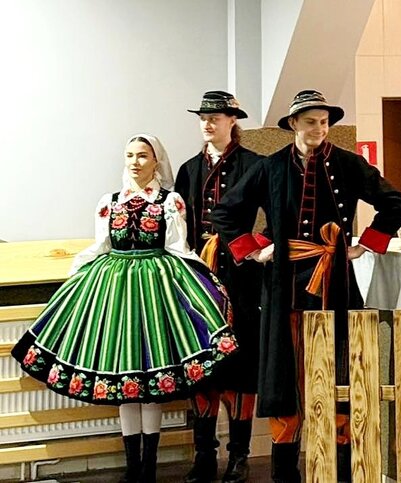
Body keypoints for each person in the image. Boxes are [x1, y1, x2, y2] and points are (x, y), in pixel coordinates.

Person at [11, 134, 238, 483]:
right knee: (124, 381)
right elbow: (101, 245)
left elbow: (178, 247)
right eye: (130, 155)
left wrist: (204, 280)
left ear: (156, 161)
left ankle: (148, 466)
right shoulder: (110, 202)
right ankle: (134, 467)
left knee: (150, 378)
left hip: (156, 289)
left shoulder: (169, 201)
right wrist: (76, 276)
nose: (135, 162)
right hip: (115, 288)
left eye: (143, 155)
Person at [211, 89, 401, 482]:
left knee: (339, 369)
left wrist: (365, 244)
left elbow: (396, 204)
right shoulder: (270, 167)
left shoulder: (349, 164)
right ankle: (284, 471)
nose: (319, 129)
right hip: (282, 284)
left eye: (324, 122)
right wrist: (256, 251)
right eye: (310, 122)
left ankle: (339, 467)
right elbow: (226, 212)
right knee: (285, 372)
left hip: (335, 281)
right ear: (293, 125)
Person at [176, 91, 264, 483]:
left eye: (216, 117)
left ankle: (239, 456)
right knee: (200, 364)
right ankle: (204, 455)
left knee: (240, 366)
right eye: (203, 117)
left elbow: (277, 214)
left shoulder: (255, 165)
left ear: (233, 120)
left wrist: (257, 248)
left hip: (241, 276)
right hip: (197, 277)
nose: (208, 123)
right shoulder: (188, 169)